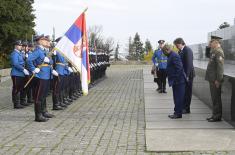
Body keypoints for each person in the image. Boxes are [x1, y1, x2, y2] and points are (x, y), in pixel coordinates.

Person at [27, 34, 58, 122]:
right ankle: (38, 115)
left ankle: (44, 111)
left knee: (44, 95)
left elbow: (51, 61)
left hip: (47, 75)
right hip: (41, 75)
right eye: (45, 40)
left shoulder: (44, 51)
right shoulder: (38, 51)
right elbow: (29, 60)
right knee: (38, 96)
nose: (47, 41)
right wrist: (33, 69)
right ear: (40, 41)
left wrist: (50, 63)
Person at [162, 44, 186, 119]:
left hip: (178, 81)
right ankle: (176, 112)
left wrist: (175, 79)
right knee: (176, 97)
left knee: (178, 98)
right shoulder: (171, 55)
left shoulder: (174, 56)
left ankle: (178, 113)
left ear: (167, 50)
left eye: (164, 52)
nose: (164, 54)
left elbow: (179, 68)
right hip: (176, 81)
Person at [205, 36, 224, 122]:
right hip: (212, 79)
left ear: (216, 42)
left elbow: (220, 68)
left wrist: (218, 80)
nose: (210, 44)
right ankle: (214, 114)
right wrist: (208, 47)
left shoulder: (219, 52)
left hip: (215, 80)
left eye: (211, 42)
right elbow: (207, 55)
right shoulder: (214, 51)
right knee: (214, 98)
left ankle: (217, 116)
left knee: (216, 98)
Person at [174, 38, 195, 114]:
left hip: (188, 75)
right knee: (184, 92)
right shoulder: (180, 51)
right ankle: (183, 107)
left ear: (180, 43)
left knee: (187, 92)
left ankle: (186, 109)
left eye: (176, 45)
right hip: (183, 75)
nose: (176, 47)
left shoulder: (187, 50)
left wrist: (187, 76)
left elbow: (189, 64)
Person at [10, 40, 30, 109]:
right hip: (16, 73)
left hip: (21, 74)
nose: (21, 46)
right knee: (16, 88)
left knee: (21, 88)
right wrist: (23, 69)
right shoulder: (14, 53)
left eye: (21, 45)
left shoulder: (20, 53)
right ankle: (16, 104)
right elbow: (15, 64)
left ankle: (22, 102)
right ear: (15, 46)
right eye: (19, 45)